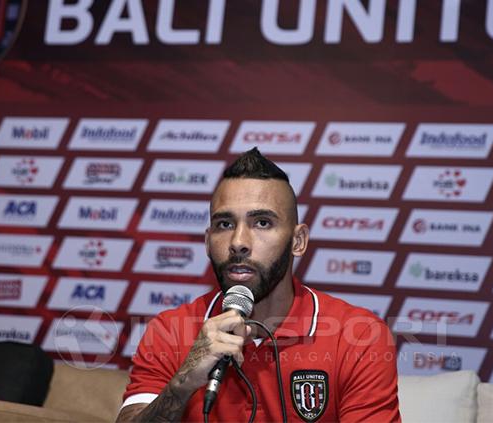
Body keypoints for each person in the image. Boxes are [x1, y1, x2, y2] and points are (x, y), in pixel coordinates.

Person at [117, 148, 400, 422]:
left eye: (262, 223)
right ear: (207, 241)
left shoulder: (360, 336)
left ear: (298, 241)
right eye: (225, 224)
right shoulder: (168, 331)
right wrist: (182, 384)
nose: (238, 242)